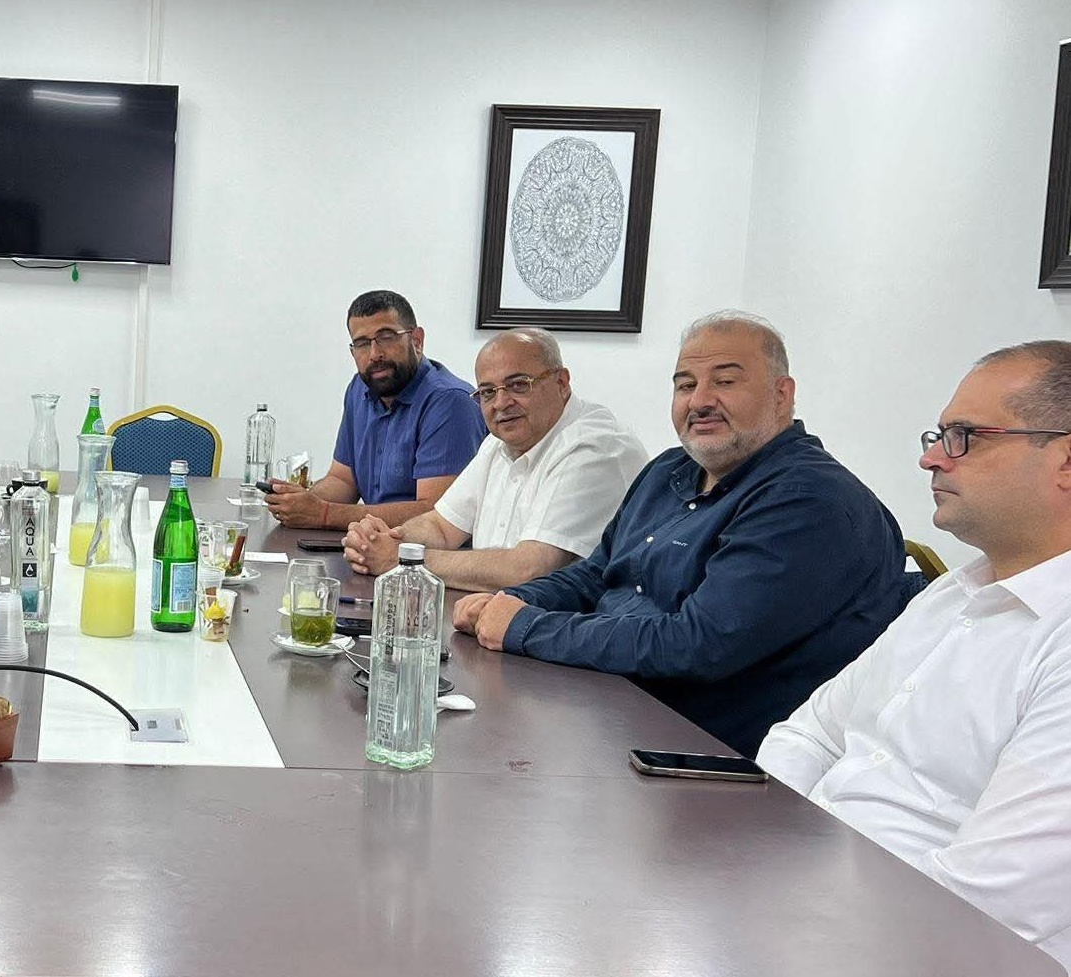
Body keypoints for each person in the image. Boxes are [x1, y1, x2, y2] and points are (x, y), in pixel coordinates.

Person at [452, 310, 907, 756]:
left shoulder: (808, 500)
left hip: (697, 758)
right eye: (686, 385)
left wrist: (525, 626)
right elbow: (596, 574)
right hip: (602, 705)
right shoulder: (669, 469)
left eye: (725, 382)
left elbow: (697, 645)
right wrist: (511, 601)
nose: (700, 401)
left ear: (782, 394)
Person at [758, 341, 1071, 968]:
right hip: (804, 903)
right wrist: (760, 852)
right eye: (939, 434)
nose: (931, 457)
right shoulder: (951, 593)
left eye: (965, 437)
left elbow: (989, 904)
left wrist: (788, 912)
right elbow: (810, 733)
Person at [342, 327, 648, 590]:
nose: (501, 403)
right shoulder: (498, 443)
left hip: (571, 631)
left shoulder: (596, 448)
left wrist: (402, 558)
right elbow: (441, 527)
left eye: (518, 385)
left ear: (562, 383)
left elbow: (529, 570)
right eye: (487, 392)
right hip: (494, 620)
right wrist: (382, 539)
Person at [263, 290, 486, 531]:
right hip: (370, 542)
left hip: (422, 550)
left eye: (386, 337)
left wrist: (324, 513)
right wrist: (299, 502)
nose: (374, 354)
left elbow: (436, 514)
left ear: (417, 341)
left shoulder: (451, 402)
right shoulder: (359, 389)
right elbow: (342, 480)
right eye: (362, 343)